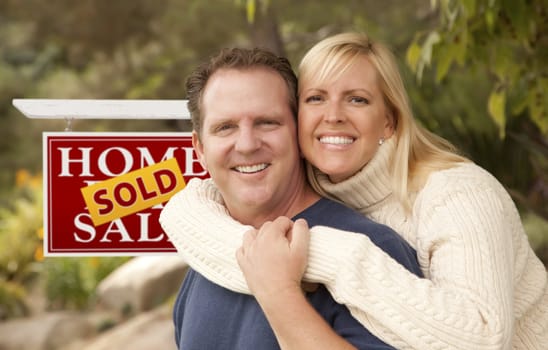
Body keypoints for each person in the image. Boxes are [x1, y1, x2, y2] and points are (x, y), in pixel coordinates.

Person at [160, 33, 548, 349]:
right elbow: (194, 208)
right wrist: (180, 213)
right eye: (316, 99)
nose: (334, 116)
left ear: (389, 121)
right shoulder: (211, 254)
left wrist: (305, 269)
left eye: (266, 122)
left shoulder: (453, 197)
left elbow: (482, 338)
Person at [164, 46, 423, 350]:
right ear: (201, 149)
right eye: (225, 128)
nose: (247, 144)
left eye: (266, 123)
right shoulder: (206, 262)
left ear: (298, 133)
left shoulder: (371, 247)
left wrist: (280, 293)